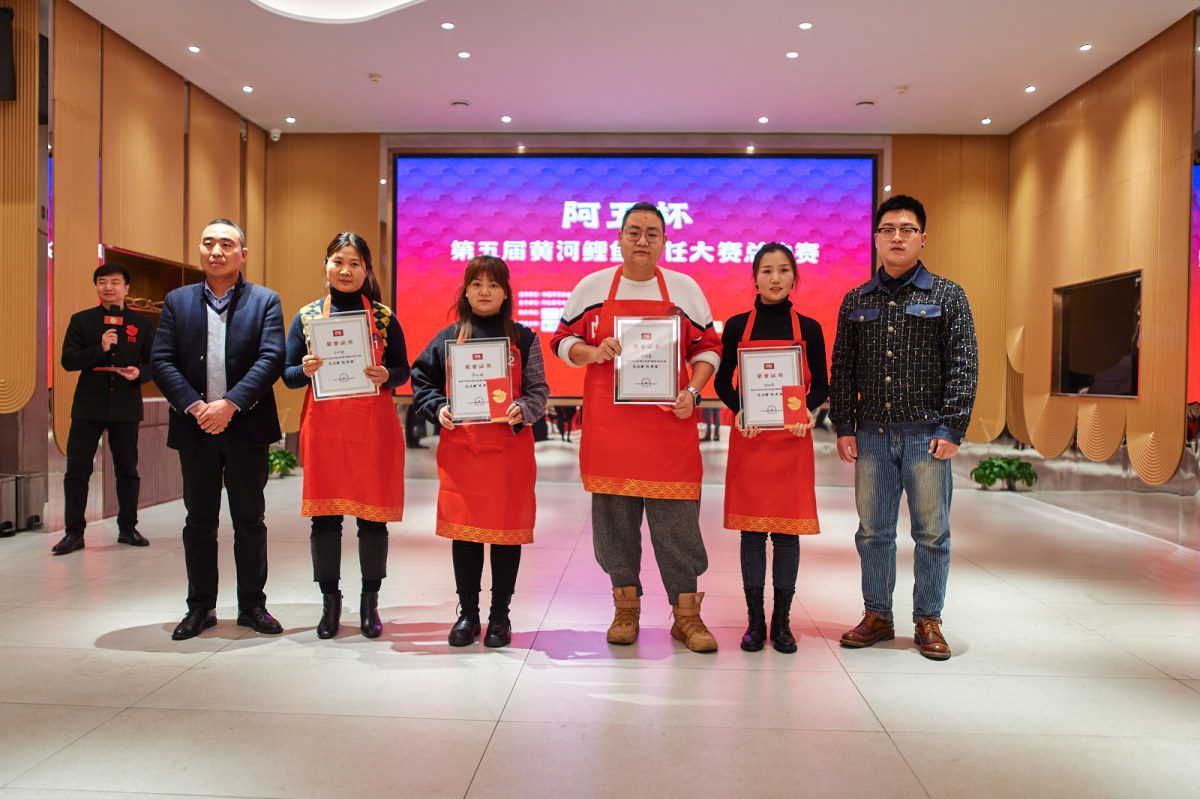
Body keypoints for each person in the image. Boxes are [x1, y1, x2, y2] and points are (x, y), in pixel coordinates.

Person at [551, 201, 722, 652]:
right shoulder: (592, 287)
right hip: (611, 433)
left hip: (669, 432)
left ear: (664, 241)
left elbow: (708, 348)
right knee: (615, 528)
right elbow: (562, 340)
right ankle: (625, 609)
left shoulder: (685, 289)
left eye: (651, 233)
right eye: (634, 232)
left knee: (678, 528)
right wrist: (593, 353)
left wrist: (694, 392)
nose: (642, 240)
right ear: (619, 238)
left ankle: (687, 616)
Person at [830, 195, 978, 660]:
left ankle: (928, 619)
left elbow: (964, 364)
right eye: (888, 229)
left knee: (932, 532)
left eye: (907, 229)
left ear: (922, 238)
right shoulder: (856, 300)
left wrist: (952, 427)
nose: (897, 237)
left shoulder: (948, 296)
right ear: (876, 238)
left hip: (926, 437)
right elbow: (842, 368)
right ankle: (877, 615)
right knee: (873, 531)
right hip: (871, 436)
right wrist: (843, 424)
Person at [151, 219, 286, 641]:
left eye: (226, 244)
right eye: (208, 243)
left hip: (246, 427)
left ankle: (253, 606)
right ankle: (200, 607)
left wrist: (229, 404)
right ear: (199, 250)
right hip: (196, 428)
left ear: (242, 254)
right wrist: (196, 406)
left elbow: (271, 358)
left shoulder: (264, 301)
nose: (216, 251)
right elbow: (162, 360)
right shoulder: (177, 301)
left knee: (250, 520)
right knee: (199, 521)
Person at [411, 256, 549, 648]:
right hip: (463, 452)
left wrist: (524, 408)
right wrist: (438, 408)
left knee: (506, 535)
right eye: (476, 284)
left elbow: (539, 390)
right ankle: (468, 614)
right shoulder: (448, 338)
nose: (484, 291)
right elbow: (421, 382)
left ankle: (500, 616)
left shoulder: (524, 339)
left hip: (509, 452)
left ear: (505, 293)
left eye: (493, 284)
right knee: (466, 534)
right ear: (466, 291)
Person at [282, 232, 409, 639]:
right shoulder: (307, 317)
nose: (346, 270)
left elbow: (403, 370)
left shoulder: (384, 318)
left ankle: (370, 603)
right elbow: (287, 375)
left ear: (367, 270)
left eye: (355, 263)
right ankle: (330, 603)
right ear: (326, 265)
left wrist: (387, 374)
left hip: (373, 431)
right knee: (325, 520)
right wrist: (304, 369)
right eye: (338, 261)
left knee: (373, 521)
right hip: (325, 431)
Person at [713, 242, 828, 653]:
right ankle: (754, 621)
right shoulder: (736, 326)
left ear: (795, 277)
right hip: (752, 439)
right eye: (766, 270)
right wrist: (740, 409)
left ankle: (782, 622)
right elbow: (723, 381)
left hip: (791, 441)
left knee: (786, 535)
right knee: (751, 534)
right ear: (755, 278)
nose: (775, 278)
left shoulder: (809, 328)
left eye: (783, 270)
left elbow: (822, 384)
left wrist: (808, 411)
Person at [53, 263, 156, 554]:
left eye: (114, 282)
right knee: (77, 470)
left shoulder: (142, 323)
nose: (108, 287)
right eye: (102, 282)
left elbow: (155, 363)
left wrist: (140, 374)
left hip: (125, 405)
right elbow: (68, 360)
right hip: (88, 405)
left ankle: (128, 528)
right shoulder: (82, 320)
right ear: (97, 286)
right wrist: (100, 348)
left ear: (126, 288)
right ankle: (74, 533)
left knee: (127, 470)